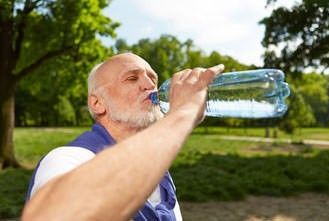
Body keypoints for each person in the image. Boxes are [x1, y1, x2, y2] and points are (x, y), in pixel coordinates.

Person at [22, 53, 224, 221]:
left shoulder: (156, 168)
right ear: (97, 103)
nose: (149, 85)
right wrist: (182, 115)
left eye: (152, 78)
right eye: (131, 78)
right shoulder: (66, 159)